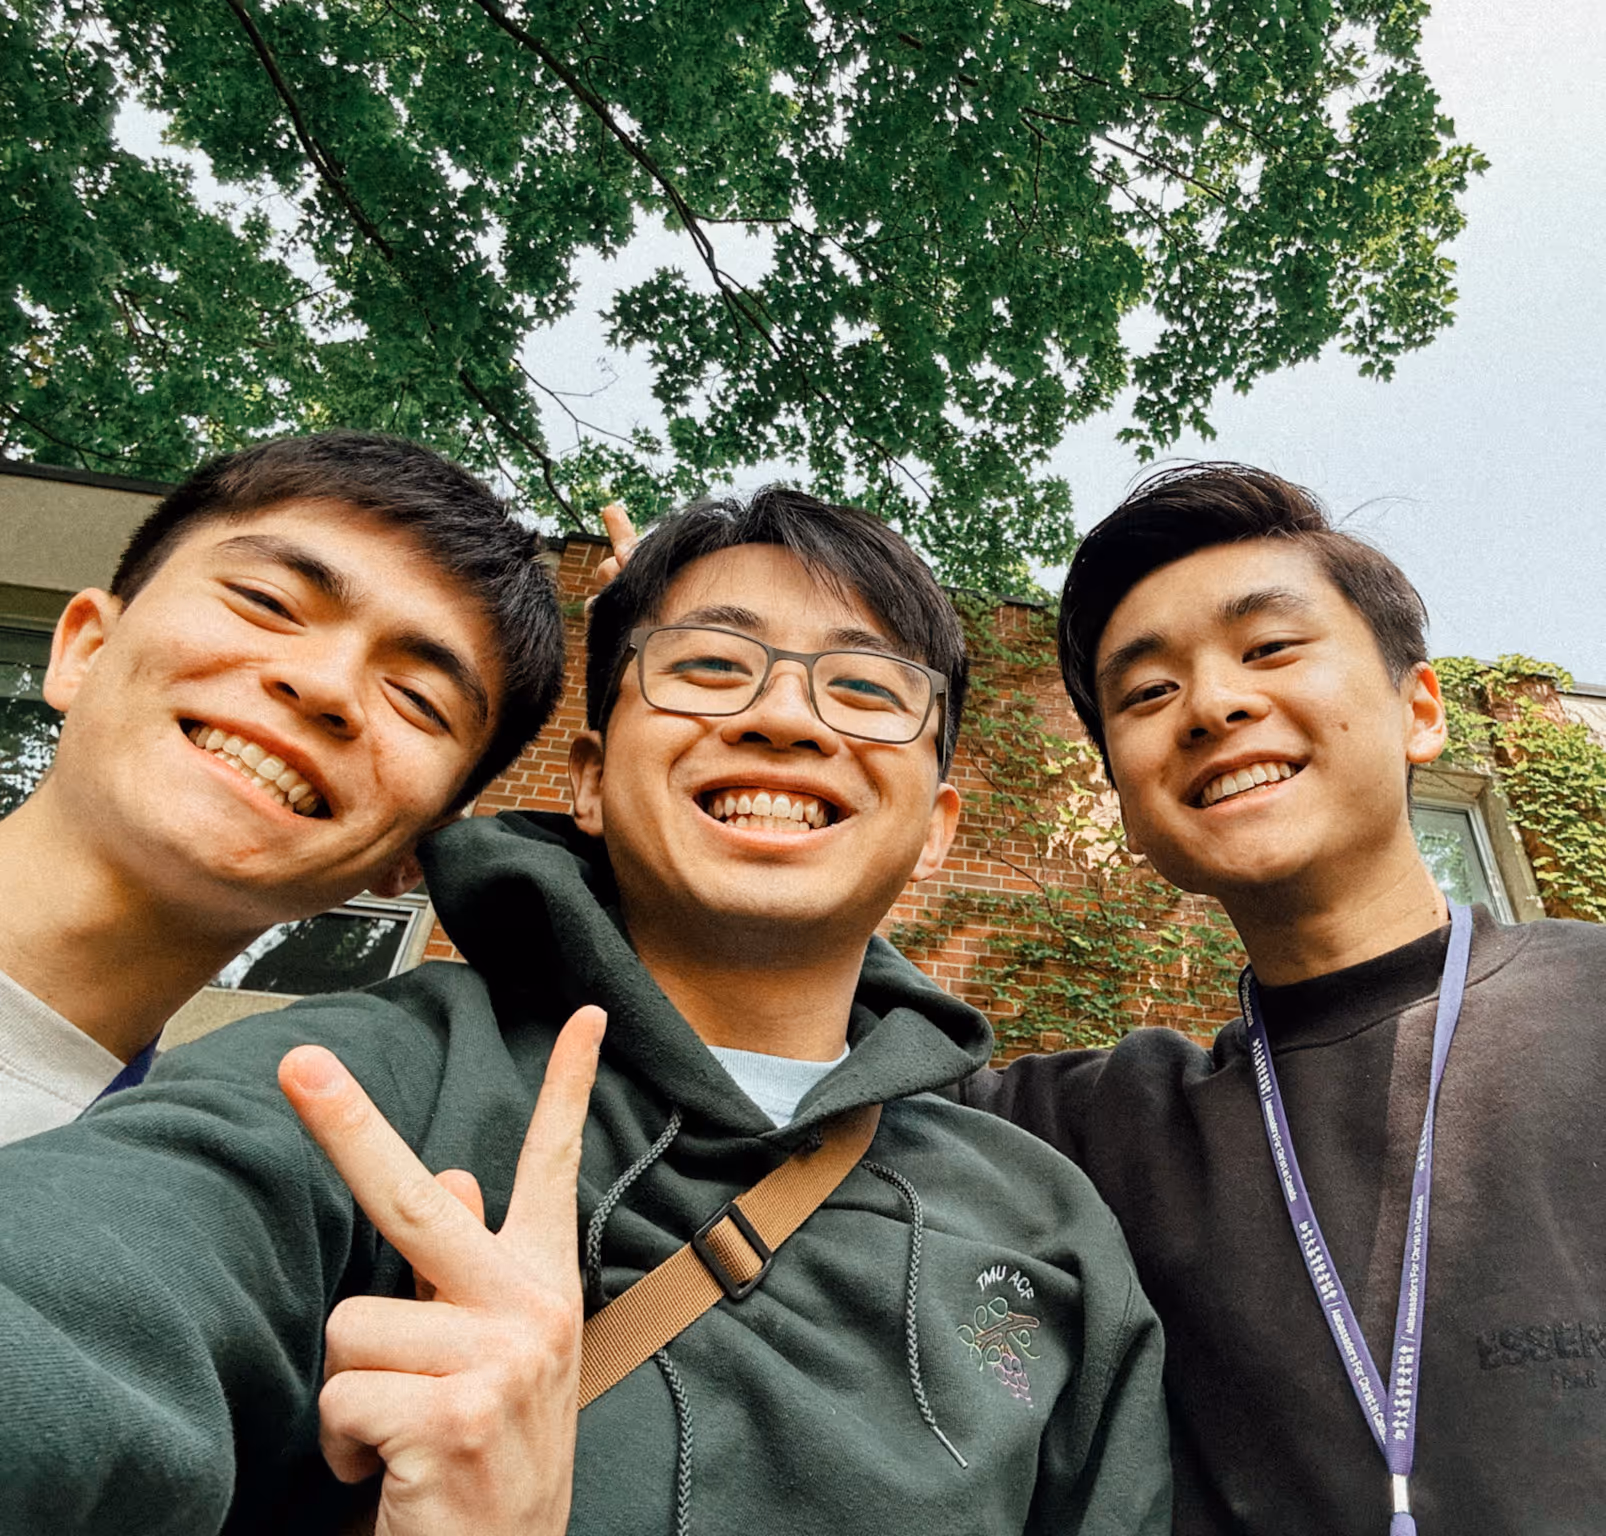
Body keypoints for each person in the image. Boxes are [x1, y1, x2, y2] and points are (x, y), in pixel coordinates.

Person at [0, 487, 1170, 1535]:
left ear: (936, 832)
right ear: (589, 782)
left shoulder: (1044, 1225)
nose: (786, 718)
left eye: (865, 689)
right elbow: (78, 1311)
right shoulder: (363, 1085)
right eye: (710, 667)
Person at [959, 463, 1606, 1536]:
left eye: (1268, 648)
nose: (1213, 704)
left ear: (1419, 709)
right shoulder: (1084, 1134)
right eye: (1149, 692)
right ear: (1126, 804)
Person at [0, 431, 564, 1143]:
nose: (325, 685)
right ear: (86, 648)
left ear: (416, 856)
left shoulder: (207, 1209)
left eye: (418, 699)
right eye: (267, 601)